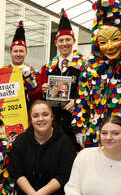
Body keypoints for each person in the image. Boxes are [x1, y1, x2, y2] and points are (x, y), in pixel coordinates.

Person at [9, 100, 76, 195]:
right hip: (28, 194)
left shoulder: (64, 142)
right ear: (30, 120)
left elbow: (64, 174)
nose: (41, 119)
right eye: (36, 116)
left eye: (45, 114)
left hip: (54, 192)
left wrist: (41, 194)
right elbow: (17, 173)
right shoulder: (20, 141)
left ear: (52, 117)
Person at [72, 0, 121, 147]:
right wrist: (80, 128)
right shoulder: (89, 67)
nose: (110, 47)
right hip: (95, 132)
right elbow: (82, 99)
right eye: (104, 42)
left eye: (115, 39)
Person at [37, 9, 87, 150]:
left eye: (67, 40)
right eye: (61, 40)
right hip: (53, 122)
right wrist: (43, 90)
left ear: (74, 41)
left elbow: (89, 91)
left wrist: (77, 101)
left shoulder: (84, 65)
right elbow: (40, 97)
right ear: (56, 43)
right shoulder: (47, 68)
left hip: (74, 122)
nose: (64, 43)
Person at [7, 20, 39, 104]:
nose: (18, 54)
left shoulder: (34, 72)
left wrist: (29, 77)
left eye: (21, 51)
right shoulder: (3, 71)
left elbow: (37, 95)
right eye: (15, 51)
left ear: (26, 52)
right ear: (10, 52)